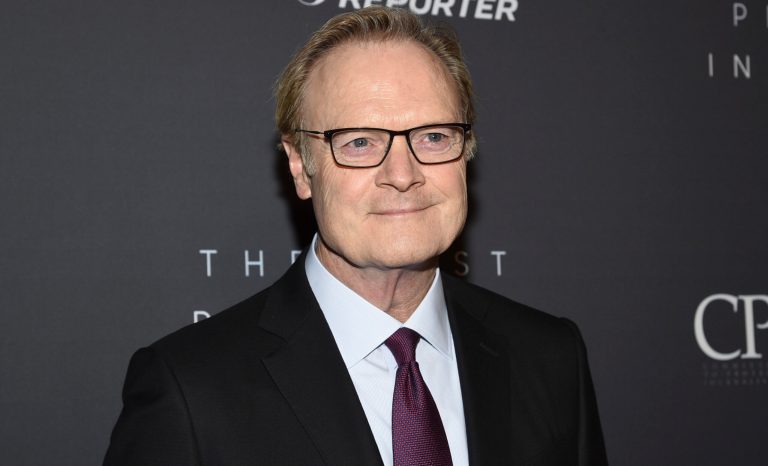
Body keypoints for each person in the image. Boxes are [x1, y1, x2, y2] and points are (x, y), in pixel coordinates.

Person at [104, 6, 607, 466]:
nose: (403, 173)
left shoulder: (549, 357)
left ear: (466, 150)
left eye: (433, 136)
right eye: (361, 142)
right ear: (301, 167)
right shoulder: (190, 389)